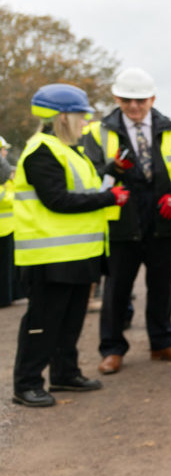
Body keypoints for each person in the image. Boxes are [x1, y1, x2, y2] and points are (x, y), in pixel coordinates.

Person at [11, 84, 127, 407]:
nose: (85, 122)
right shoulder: (41, 151)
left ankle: (65, 373)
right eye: (81, 116)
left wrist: (111, 172)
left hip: (78, 254)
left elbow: (80, 187)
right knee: (43, 322)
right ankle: (27, 383)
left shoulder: (69, 150)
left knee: (70, 320)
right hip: (49, 257)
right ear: (63, 117)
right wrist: (109, 197)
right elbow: (57, 200)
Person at [81, 67, 171, 375]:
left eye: (141, 100)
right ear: (116, 97)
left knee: (160, 286)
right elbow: (88, 174)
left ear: (153, 98)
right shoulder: (97, 131)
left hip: (163, 214)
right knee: (117, 287)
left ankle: (162, 343)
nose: (134, 107)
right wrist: (112, 168)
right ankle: (112, 349)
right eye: (128, 100)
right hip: (122, 218)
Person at [0, 134, 15, 308]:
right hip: (4, 228)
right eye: (3, 149)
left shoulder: (6, 172)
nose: (5, 153)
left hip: (9, 227)